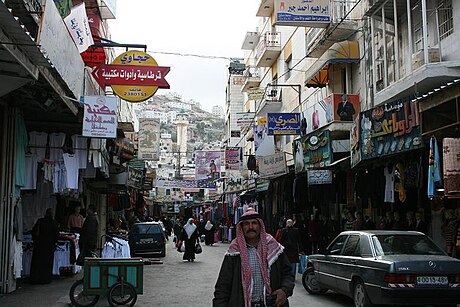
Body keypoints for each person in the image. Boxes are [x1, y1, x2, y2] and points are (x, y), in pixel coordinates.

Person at [213, 209, 294, 307]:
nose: (250, 227)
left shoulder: (273, 247)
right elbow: (223, 287)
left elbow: (288, 273)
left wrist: (284, 291)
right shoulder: (234, 252)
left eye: (254, 223)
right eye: (246, 224)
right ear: (241, 227)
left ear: (260, 226)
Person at [30, 208, 59, 284]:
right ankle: (46, 279)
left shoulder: (40, 221)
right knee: (47, 263)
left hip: (39, 245)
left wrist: (36, 240)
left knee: (37, 262)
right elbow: (57, 235)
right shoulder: (54, 223)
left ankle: (36, 278)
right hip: (49, 246)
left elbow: (33, 231)